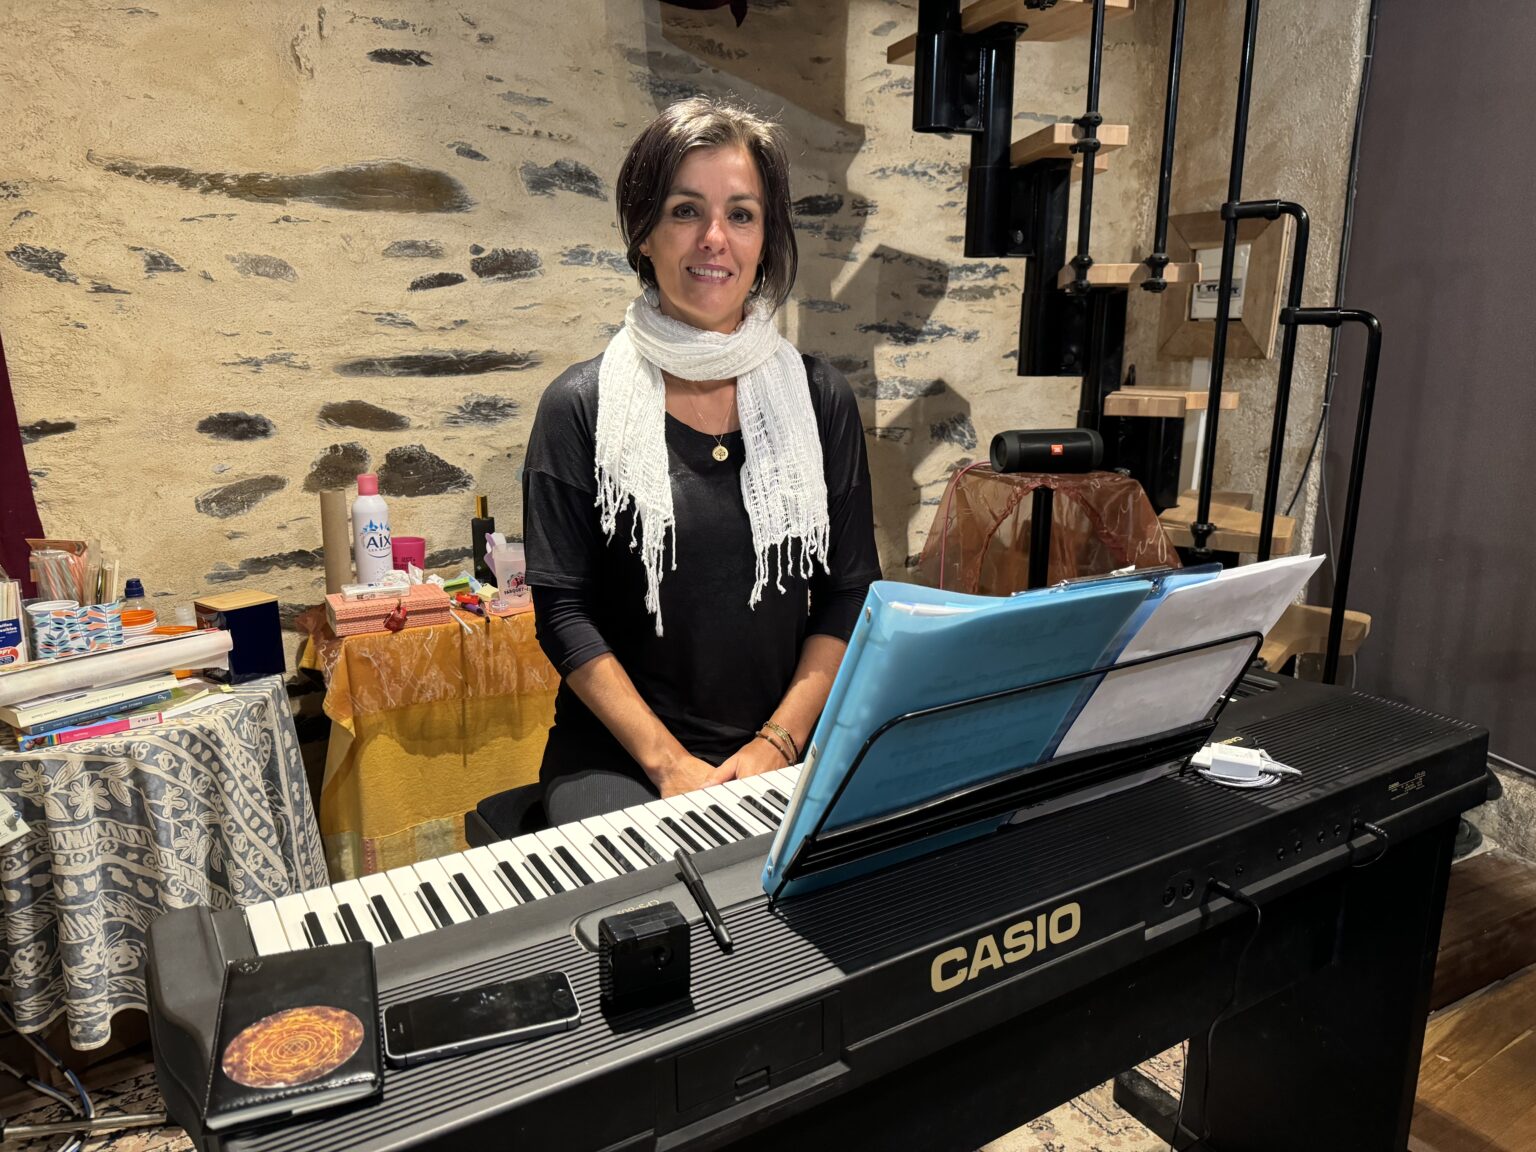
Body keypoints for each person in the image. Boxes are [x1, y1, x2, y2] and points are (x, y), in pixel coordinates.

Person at [522, 95, 881, 826]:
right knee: (659, 892)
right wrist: (668, 763)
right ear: (644, 235)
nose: (714, 238)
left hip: (781, 741)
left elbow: (849, 593)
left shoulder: (819, 399)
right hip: (621, 757)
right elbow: (563, 612)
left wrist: (778, 742)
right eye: (685, 211)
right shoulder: (579, 406)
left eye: (741, 215)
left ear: (765, 241)